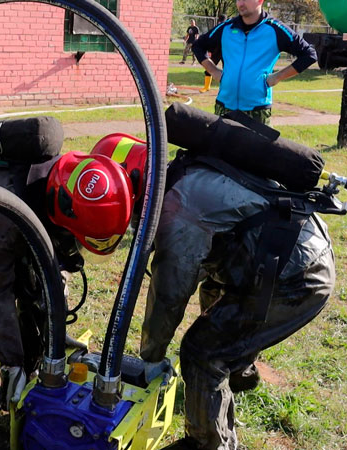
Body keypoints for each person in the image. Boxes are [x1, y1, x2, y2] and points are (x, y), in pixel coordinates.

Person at [0, 148, 136, 450]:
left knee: (35, 300)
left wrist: (56, 326)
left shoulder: (71, 186)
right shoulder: (4, 215)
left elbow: (51, 277)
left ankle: (23, 391)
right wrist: (11, 361)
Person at [139, 153, 336, 450]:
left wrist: (152, 356)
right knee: (215, 300)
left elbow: (169, 293)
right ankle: (239, 377)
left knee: (202, 351)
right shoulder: (185, 172)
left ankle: (208, 443)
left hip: (297, 276)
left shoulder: (177, 209)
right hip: (294, 248)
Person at [192, 0, 317, 124]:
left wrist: (277, 77)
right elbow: (198, 46)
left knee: (256, 145)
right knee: (221, 144)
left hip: (257, 109)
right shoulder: (226, 28)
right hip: (224, 105)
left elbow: (309, 55)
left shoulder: (275, 29)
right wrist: (213, 71)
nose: (240, 3)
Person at [199, 14, 226, 93]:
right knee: (210, 68)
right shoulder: (222, 27)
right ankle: (207, 87)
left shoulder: (226, 28)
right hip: (218, 51)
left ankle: (210, 87)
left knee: (226, 70)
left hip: (224, 52)